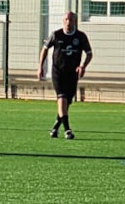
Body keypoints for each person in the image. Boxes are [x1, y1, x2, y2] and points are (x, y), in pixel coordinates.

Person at [37, 11, 93, 139]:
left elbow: (89, 53)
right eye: (66, 20)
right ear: (63, 21)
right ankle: (67, 130)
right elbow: (44, 49)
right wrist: (40, 67)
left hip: (72, 74)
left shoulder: (81, 36)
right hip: (58, 72)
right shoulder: (56, 35)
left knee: (66, 103)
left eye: (71, 20)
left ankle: (55, 127)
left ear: (74, 21)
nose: (68, 22)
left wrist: (83, 66)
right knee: (61, 98)